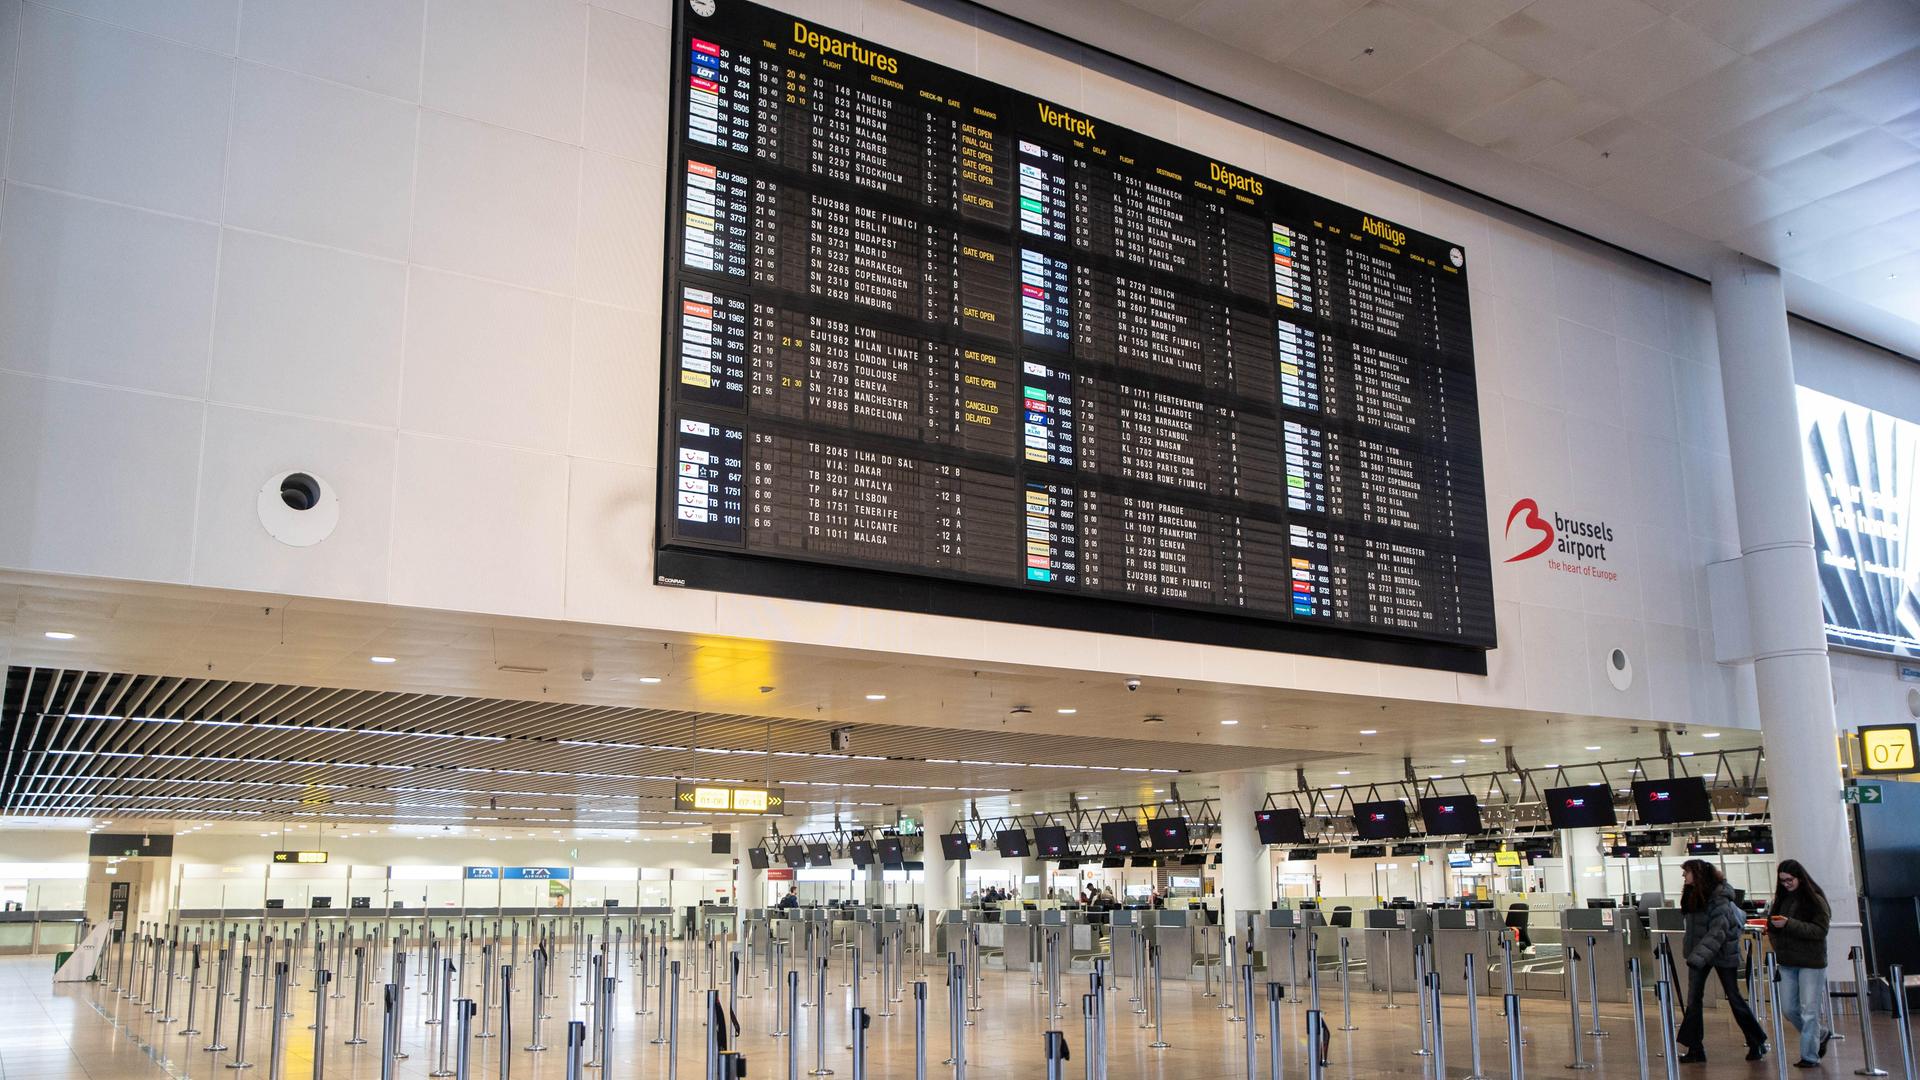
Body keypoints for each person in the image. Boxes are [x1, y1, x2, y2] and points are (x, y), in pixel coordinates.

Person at [1675, 859, 1768, 1063]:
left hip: (1722, 951)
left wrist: (1698, 955)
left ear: (1697, 874)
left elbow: (1718, 930)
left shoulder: (1719, 897)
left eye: (1687, 872)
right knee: (1693, 1000)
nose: (1684, 876)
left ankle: (1756, 1042)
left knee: (1733, 996)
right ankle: (1695, 1048)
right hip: (1700, 952)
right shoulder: (1692, 894)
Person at [1768, 859, 1833, 1068]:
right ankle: (1821, 1034)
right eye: (1783, 881)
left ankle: (1809, 1056)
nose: (1786, 884)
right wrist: (1774, 931)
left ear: (1800, 878)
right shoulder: (1781, 900)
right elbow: (1774, 925)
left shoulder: (1816, 900)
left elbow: (1820, 931)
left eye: (1790, 880)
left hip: (1811, 963)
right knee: (1789, 1009)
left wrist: (1789, 924)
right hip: (1787, 962)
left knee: (1809, 1010)